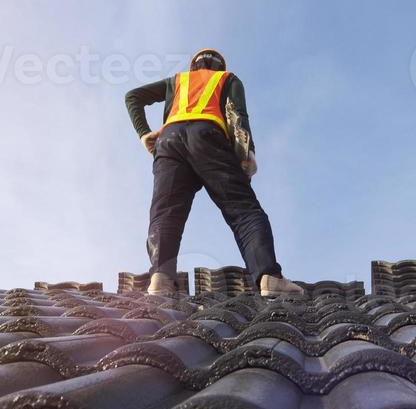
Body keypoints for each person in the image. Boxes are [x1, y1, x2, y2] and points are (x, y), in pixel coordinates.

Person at [125, 48, 303, 298]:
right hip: (207, 136)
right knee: (244, 210)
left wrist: (144, 133)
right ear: (219, 66)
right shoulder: (227, 79)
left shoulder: (177, 81)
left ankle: (161, 280)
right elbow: (238, 117)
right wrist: (247, 154)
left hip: (168, 142)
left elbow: (133, 96)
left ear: (193, 66)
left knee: (166, 212)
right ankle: (269, 278)